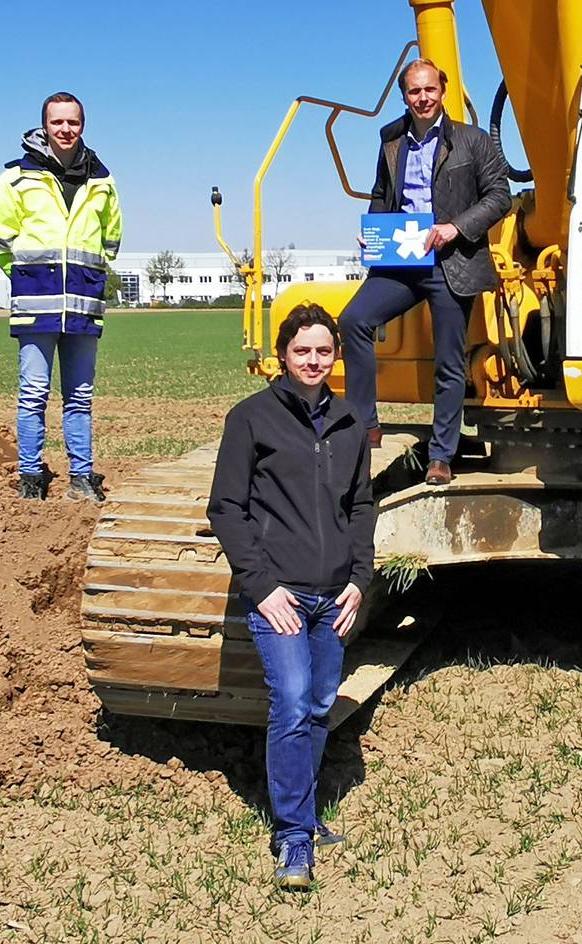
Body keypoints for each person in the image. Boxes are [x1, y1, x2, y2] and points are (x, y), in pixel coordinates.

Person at [205, 302, 378, 892]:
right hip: (279, 593)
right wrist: (262, 586)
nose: (313, 360)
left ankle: (302, 814)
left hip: (335, 595)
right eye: (302, 350)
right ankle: (294, 839)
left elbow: (360, 506)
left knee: (323, 701)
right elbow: (226, 508)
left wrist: (361, 576)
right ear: (282, 355)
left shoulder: (351, 421)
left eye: (323, 351)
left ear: (336, 355)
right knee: (294, 699)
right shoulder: (251, 419)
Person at [340, 59, 512, 485]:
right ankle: (366, 426)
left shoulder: (472, 141)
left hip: (451, 262)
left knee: (448, 362)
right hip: (401, 259)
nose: (423, 99)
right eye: (414, 92)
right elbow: (383, 194)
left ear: (443, 91)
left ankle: (441, 456)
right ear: (404, 96)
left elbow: (500, 196)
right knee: (353, 320)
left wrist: (456, 227)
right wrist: (373, 230)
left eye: (430, 90)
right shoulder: (391, 140)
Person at [0, 92, 124, 502]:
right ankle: (31, 479)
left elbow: (111, 239)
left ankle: (81, 478)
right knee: (34, 393)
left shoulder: (102, 179)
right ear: (44, 126)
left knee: (80, 397)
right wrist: (26, 279)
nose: (66, 130)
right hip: (36, 303)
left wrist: (90, 279)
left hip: (83, 303)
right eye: (58, 122)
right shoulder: (15, 177)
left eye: (73, 123)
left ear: (83, 125)